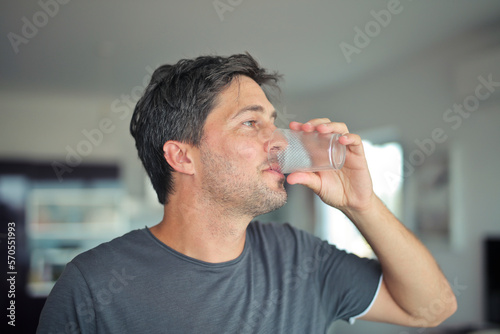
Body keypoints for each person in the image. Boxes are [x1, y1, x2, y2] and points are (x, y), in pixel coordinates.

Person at [37, 53, 456, 333]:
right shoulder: (91, 287)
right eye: (250, 124)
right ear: (182, 157)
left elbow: (433, 309)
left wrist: (362, 204)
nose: (278, 141)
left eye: (273, 122)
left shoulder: (300, 258)